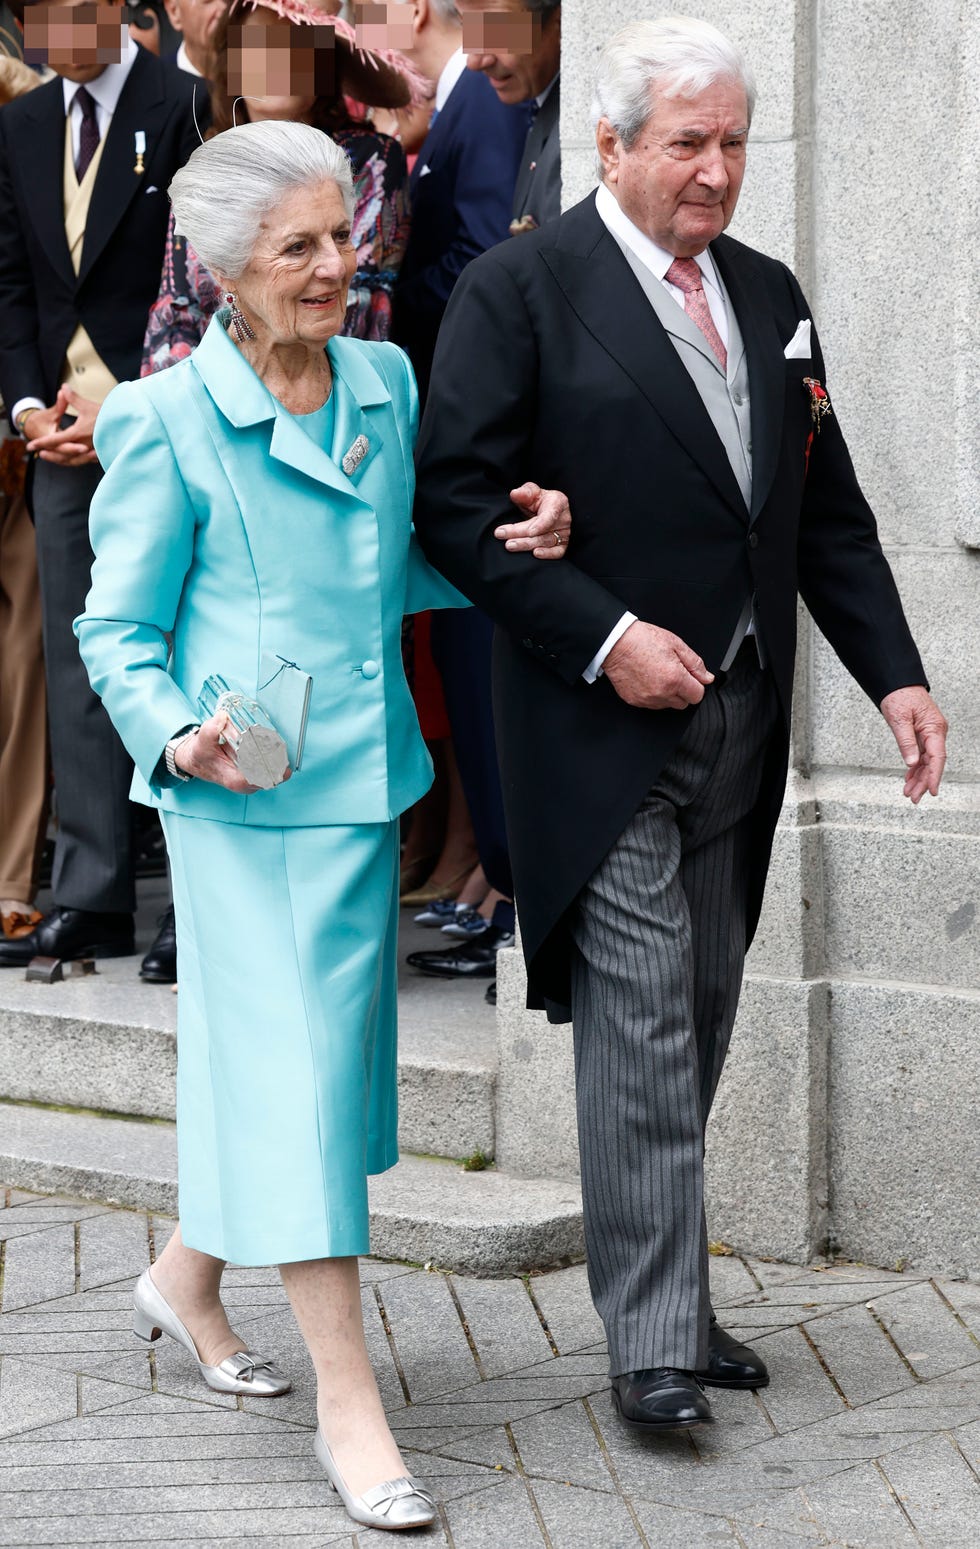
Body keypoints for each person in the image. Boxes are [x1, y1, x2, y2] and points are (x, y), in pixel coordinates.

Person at [412, 17, 948, 1435]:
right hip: (601, 734)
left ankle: (673, 1292)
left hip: (745, 723)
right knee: (642, 1018)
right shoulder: (522, 287)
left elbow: (822, 512)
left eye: (733, 143)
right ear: (612, 141)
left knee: (697, 1017)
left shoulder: (769, 293)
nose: (716, 172)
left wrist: (895, 672)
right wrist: (602, 632)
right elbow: (455, 506)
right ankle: (654, 1340)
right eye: (687, 143)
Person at [75, 120, 571, 1530]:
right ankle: (351, 1403)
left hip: (366, 788)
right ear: (226, 269)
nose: (335, 269)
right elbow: (115, 627)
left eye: (340, 237)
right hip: (244, 800)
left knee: (321, 1078)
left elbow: (394, 558)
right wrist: (176, 732)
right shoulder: (163, 420)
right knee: (297, 1082)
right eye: (297, 247)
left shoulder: (384, 379)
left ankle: (187, 1276)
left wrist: (504, 553)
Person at [0, 0, 199, 978]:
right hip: (58, 439)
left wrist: (116, 407)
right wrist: (30, 407)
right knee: (81, 656)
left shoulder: (184, 107)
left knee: (182, 648)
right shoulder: (21, 123)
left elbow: (195, 276)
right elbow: (11, 283)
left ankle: (191, 892)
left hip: (162, 424)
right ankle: (90, 894)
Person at [142, 0, 417, 377]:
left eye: (297, 45)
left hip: (328, 392)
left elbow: (350, 306)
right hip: (205, 400)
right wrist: (188, 410)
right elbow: (176, 310)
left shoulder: (371, 160)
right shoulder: (207, 169)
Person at [458, 0, 561, 231]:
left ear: (560, 22)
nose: (474, 61)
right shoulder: (543, 108)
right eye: (466, 26)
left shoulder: (574, 133)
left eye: (496, 31)